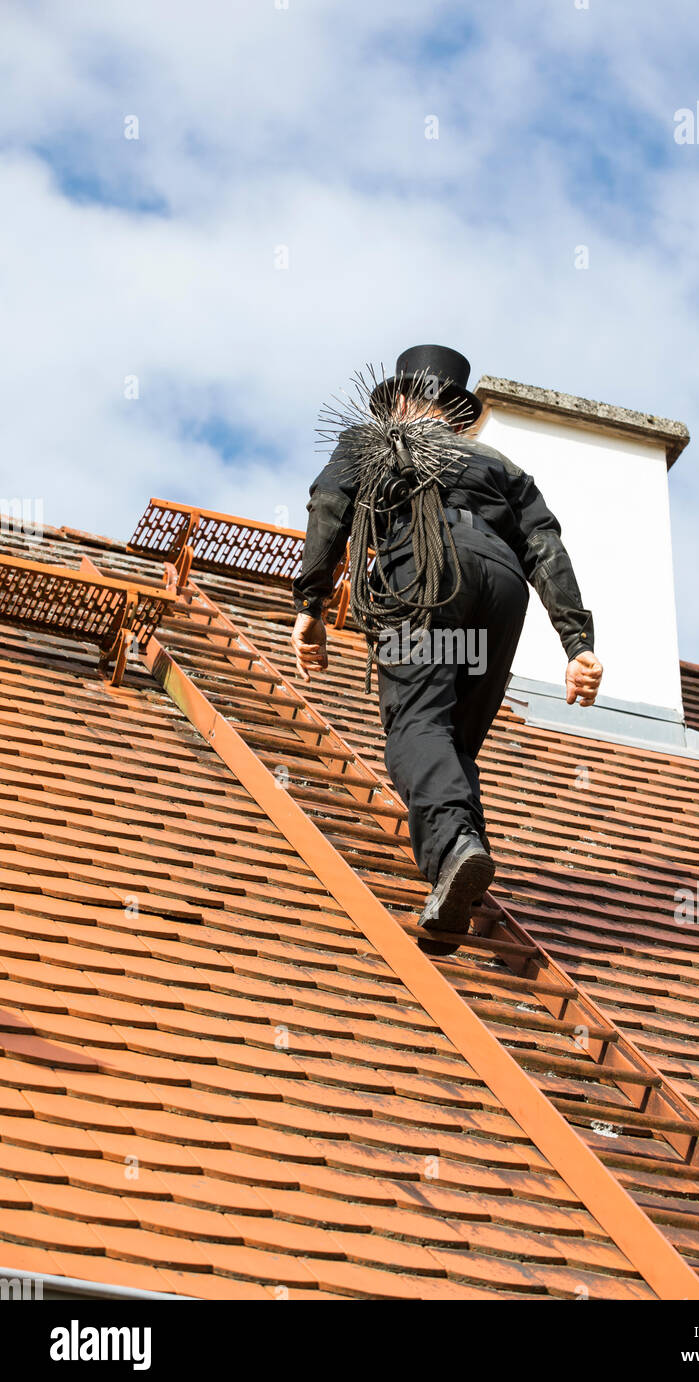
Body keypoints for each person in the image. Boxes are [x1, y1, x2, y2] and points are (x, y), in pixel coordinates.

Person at [292, 345, 602, 947]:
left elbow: (329, 504)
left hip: (428, 574)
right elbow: (545, 544)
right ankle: (456, 876)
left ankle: (455, 849)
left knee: (417, 722)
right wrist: (577, 642)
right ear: (456, 414)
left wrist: (311, 604)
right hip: (500, 588)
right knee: (453, 737)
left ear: (402, 402)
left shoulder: (373, 441)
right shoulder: (502, 465)